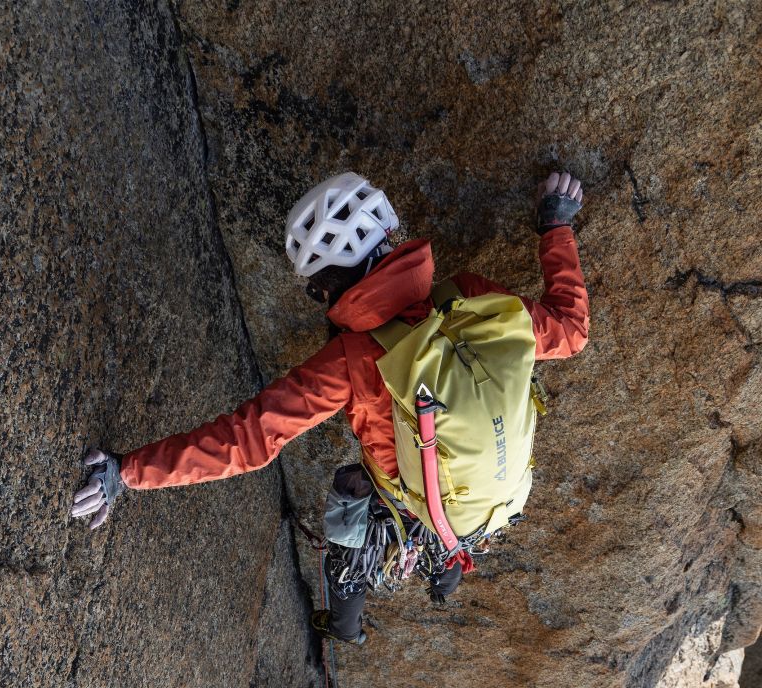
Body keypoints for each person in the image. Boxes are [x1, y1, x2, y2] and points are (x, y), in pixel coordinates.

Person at [72, 169, 588, 644]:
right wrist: (556, 225)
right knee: (442, 517)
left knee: (349, 497)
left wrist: (127, 472)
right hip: (499, 492)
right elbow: (570, 330)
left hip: (414, 501)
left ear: (326, 287)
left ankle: (345, 626)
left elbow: (248, 439)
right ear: (391, 236)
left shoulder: (350, 360)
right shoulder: (470, 297)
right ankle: (447, 567)